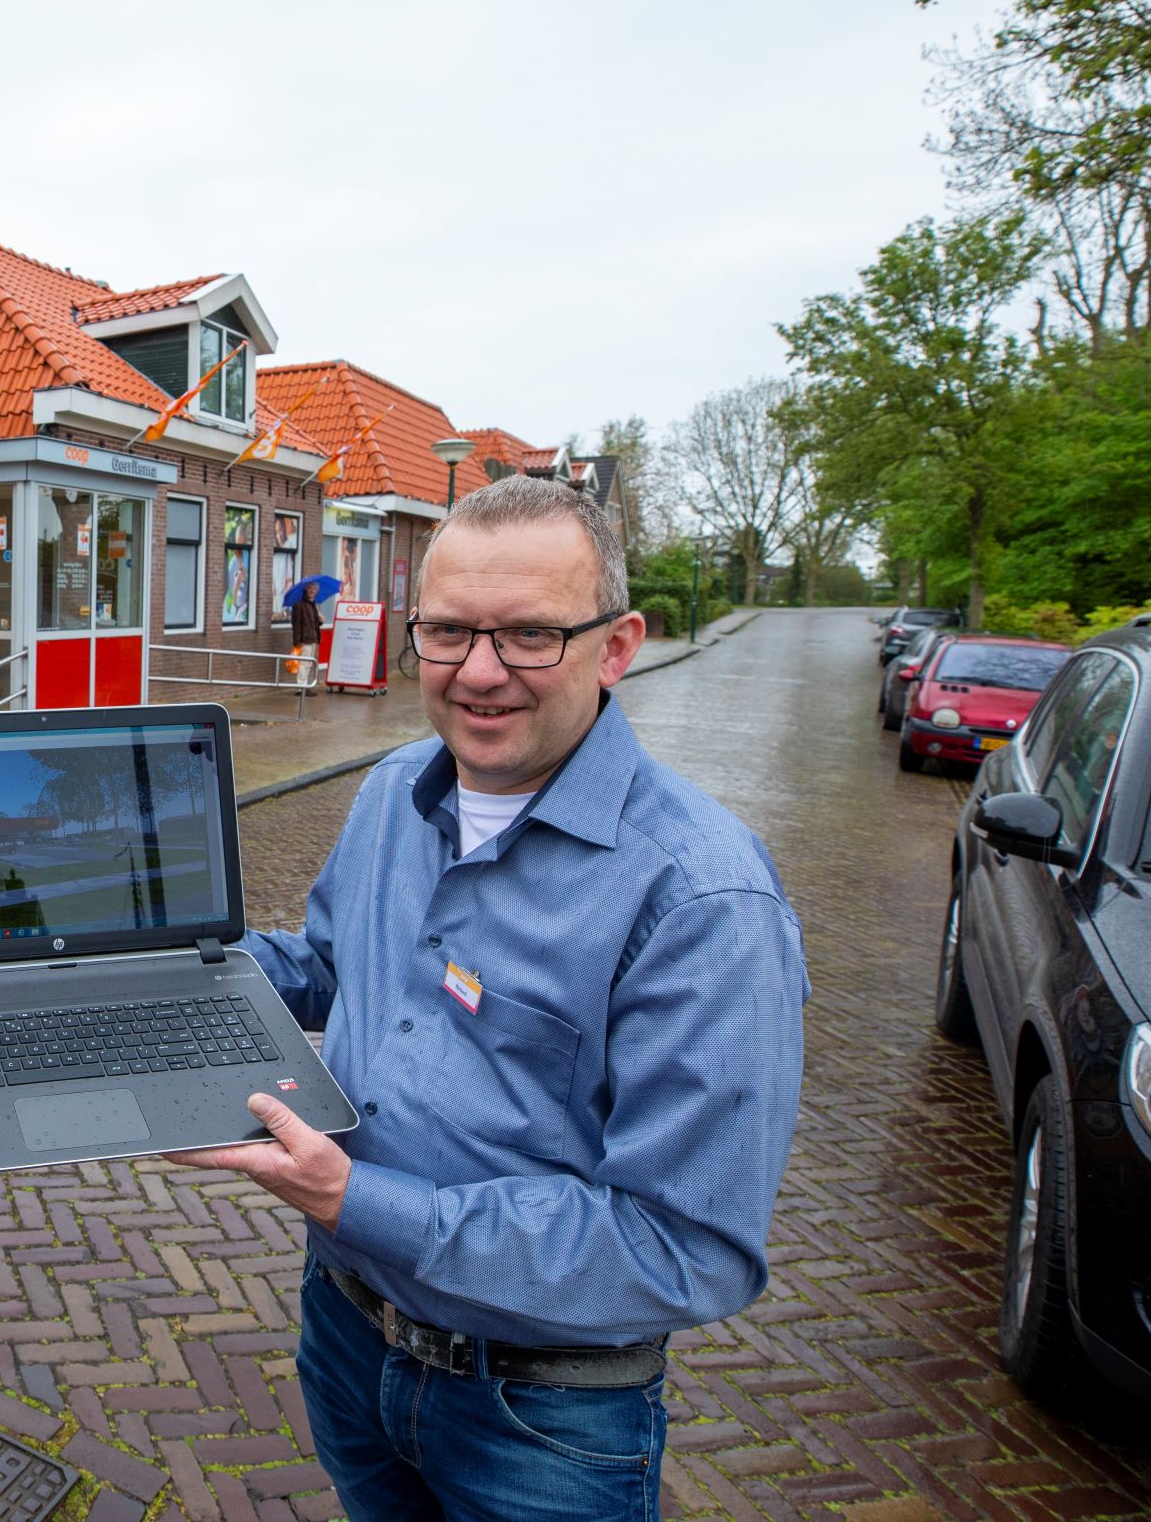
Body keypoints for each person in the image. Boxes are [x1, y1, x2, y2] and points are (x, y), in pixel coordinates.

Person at [170, 476, 807, 1522]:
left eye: (527, 637)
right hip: (343, 1329)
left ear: (616, 646)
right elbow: (331, 966)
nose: (478, 673)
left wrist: (353, 1200)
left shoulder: (700, 900)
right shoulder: (392, 791)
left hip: (539, 1415)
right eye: (450, 631)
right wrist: (151, 972)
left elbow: (684, 1248)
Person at [286, 581, 322, 687]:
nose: (312, 591)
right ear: (306, 589)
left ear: (316, 591)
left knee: (309, 664)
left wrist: (320, 620)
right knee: (303, 664)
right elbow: (296, 625)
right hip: (304, 640)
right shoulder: (299, 605)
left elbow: (315, 623)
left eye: (314, 589)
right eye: (310, 588)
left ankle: (305, 685)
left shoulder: (314, 605)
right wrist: (297, 642)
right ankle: (301, 687)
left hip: (313, 639)